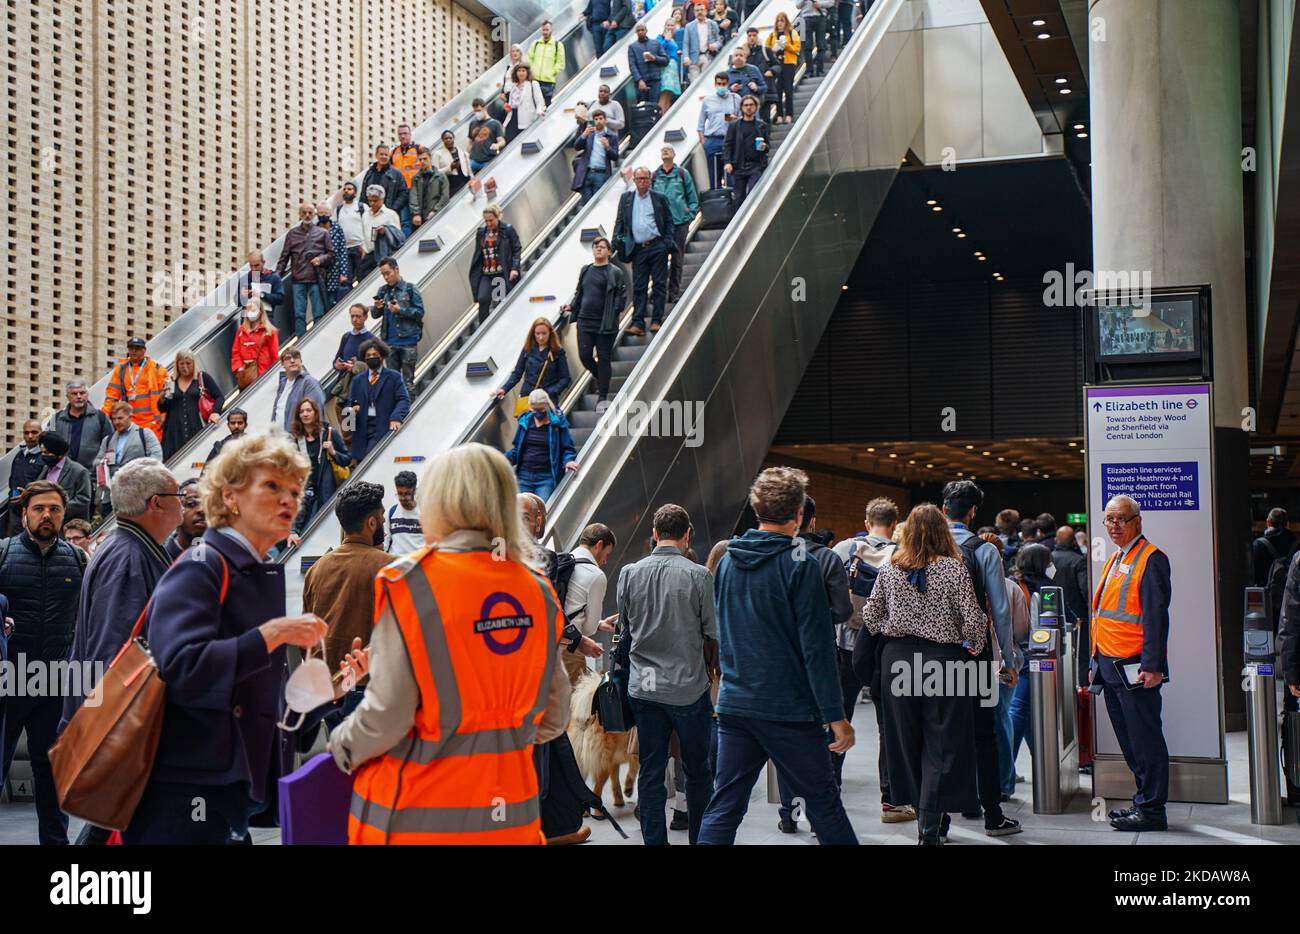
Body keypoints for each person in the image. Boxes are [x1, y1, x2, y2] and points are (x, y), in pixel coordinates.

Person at [122, 433, 365, 844]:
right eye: (272, 487)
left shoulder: (255, 571)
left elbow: (264, 708)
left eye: (295, 490)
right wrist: (271, 635)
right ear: (230, 497)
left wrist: (337, 689)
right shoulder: (203, 565)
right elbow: (181, 668)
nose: (289, 500)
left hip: (228, 794)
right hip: (185, 795)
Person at [327, 442, 564, 844]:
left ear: (438, 501)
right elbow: (553, 718)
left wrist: (340, 746)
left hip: (417, 819)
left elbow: (388, 718)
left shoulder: (410, 582)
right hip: (513, 820)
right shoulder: (539, 592)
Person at [698, 467, 857, 845]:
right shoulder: (802, 565)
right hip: (789, 710)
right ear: (799, 513)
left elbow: (724, 633)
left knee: (725, 806)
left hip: (736, 706)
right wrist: (836, 717)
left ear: (757, 508)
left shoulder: (727, 563)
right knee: (824, 805)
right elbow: (817, 650)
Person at [60, 461, 180, 845]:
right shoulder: (128, 560)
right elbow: (118, 653)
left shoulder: (125, 547)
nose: (184, 505)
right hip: (123, 725)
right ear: (156, 503)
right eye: (179, 496)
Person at [862, 503, 992, 844]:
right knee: (944, 745)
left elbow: (871, 617)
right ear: (941, 531)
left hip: (899, 659)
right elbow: (973, 619)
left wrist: (895, 628)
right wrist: (975, 646)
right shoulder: (954, 568)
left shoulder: (890, 567)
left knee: (907, 744)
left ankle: (925, 819)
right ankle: (931, 829)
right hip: (945, 661)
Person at [616, 504, 716, 844]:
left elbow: (625, 625)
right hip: (687, 687)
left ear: (654, 533)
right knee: (697, 770)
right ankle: (699, 838)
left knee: (652, 769)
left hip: (644, 688)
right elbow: (711, 630)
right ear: (687, 535)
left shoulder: (629, 573)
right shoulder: (699, 575)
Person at [0, 481, 86, 845]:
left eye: (54, 509)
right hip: (7, 681)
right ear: (24, 515)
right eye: (38, 509)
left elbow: (89, 618)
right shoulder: (3, 553)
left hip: (53, 682)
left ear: (63, 515)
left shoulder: (79, 559)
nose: (47, 515)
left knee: (51, 772)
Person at [1091, 494, 1172, 833]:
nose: (1114, 526)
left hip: (1135, 668)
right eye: (1109, 519)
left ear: (1138, 521)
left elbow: (1156, 617)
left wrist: (1153, 666)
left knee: (1145, 739)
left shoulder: (1152, 559)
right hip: (1111, 667)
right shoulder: (1116, 558)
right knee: (1130, 740)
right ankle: (1143, 801)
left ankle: (1152, 810)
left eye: (1121, 519)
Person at [943, 479, 1018, 834]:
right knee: (983, 735)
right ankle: (992, 814)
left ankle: (938, 819)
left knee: (938, 735)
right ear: (973, 512)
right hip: (974, 656)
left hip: (930, 657)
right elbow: (1000, 612)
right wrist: (1008, 661)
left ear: (944, 508)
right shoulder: (984, 551)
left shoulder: (921, 547)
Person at [775, 494, 851, 834]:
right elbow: (844, 611)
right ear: (812, 521)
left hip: (780, 661)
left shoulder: (772, 557)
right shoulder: (827, 558)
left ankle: (789, 813)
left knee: (787, 738)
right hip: (819, 655)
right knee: (824, 739)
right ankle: (820, 819)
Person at [836, 497, 915, 823]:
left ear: (867, 522)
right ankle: (892, 803)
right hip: (887, 651)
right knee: (890, 729)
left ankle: (827, 797)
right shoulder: (904, 556)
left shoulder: (844, 549)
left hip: (844, 647)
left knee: (837, 722)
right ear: (894, 524)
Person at [302, 480, 392, 728]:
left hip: (328, 693)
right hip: (370, 690)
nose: (383, 523)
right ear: (371, 523)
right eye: (382, 518)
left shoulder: (316, 569)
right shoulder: (390, 568)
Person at [561, 237, 627, 402]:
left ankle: (602, 396)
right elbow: (579, 292)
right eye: (596, 246)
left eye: (602, 247)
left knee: (604, 357)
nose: (598, 249)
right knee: (584, 356)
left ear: (609, 252)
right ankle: (602, 379)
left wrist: (615, 311)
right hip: (584, 321)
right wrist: (572, 306)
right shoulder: (586, 270)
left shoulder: (615, 272)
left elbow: (621, 295)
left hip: (605, 323)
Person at [613, 166, 673, 335]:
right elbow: (620, 223)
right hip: (638, 249)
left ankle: (656, 320)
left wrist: (667, 241)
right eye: (639, 179)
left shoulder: (659, 198)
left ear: (650, 180)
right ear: (634, 180)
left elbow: (669, 221)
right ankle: (638, 322)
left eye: (645, 179)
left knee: (659, 284)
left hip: (657, 246)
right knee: (639, 286)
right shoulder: (626, 199)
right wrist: (615, 243)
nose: (642, 182)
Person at [559, 523, 617, 686]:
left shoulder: (563, 562)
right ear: (599, 545)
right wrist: (595, 626)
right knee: (574, 705)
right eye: (607, 553)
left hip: (548, 645)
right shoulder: (596, 575)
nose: (605, 560)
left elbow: (568, 610)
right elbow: (589, 628)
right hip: (569, 649)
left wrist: (600, 624)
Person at [288, 398, 352, 541]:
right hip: (306, 490)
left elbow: (347, 459)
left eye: (308, 410)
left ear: (315, 413)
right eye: (301, 411)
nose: (305, 414)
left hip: (326, 489)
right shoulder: (296, 439)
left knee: (320, 527)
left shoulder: (329, 433)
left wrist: (333, 452)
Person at [504, 390, 580, 501]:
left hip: (546, 477)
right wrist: (502, 459)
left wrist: (568, 460)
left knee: (542, 511)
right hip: (524, 476)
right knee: (522, 512)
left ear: (548, 405)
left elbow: (567, 447)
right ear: (530, 407)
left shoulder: (557, 423)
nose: (538, 413)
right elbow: (517, 450)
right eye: (535, 410)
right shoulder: (525, 421)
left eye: (541, 409)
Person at [276, 202, 335, 339]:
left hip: (316, 278)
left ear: (314, 214)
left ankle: (319, 339)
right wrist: (277, 276)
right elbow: (284, 257)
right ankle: (301, 341)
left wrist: (321, 259)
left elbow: (332, 254)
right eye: (304, 212)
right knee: (299, 314)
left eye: (310, 212)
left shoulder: (322, 233)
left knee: (318, 312)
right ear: (299, 214)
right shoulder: (292, 234)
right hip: (298, 279)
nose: (307, 215)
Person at [94, 401, 164, 516]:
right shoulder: (108, 439)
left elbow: (156, 458)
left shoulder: (145, 434)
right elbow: (96, 461)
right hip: (112, 494)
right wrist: (103, 463)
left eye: (120, 418)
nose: (116, 422)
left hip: (137, 493)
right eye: (114, 419)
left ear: (130, 417)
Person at [347, 338, 412, 461]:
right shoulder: (358, 380)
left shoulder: (394, 377)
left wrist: (396, 417)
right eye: (368, 355)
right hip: (361, 432)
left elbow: (404, 399)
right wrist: (352, 409)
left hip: (383, 429)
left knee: (370, 460)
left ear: (382, 357)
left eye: (375, 355)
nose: (371, 357)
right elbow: (351, 402)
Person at [651, 145, 699, 304]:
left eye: (668, 150)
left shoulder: (682, 174)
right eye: (662, 150)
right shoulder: (654, 176)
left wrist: (690, 214)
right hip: (661, 225)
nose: (665, 151)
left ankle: (674, 293)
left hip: (679, 222)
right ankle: (659, 295)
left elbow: (692, 197)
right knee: (659, 260)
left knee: (677, 259)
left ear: (674, 154)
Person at [371, 257, 425, 395]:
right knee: (392, 384)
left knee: (407, 383)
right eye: (383, 274)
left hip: (408, 342)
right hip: (389, 343)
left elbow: (419, 312)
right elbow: (374, 314)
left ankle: (410, 413)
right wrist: (377, 308)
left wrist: (401, 310)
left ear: (396, 269)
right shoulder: (382, 291)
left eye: (388, 273)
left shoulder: (410, 289)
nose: (386, 277)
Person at [158, 347, 224, 459]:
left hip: (196, 426)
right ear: (177, 365)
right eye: (181, 364)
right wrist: (162, 399)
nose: (185, 367)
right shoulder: (171, 381)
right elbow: (163, 408)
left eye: (188, 363)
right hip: (174, 431)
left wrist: (215, 412)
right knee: (173, 461)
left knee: (197, 460)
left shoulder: (202, 377)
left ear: (193, 363)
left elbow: (219, 397)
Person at [102, 337, 169, 441]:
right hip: (129, 422)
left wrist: (164, 416)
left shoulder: (156, 369)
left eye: (137, 348)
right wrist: (104, 417)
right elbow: (111, 396)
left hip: (152, 423)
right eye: (131, 348)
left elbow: (166, 396)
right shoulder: (121, 370)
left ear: (144, 350)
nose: (134, 351)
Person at [496, 317, 573, 408]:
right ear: (533, 334)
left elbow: (565, 378)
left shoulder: (557, 351)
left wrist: (550, 391)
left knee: (546, 421)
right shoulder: (527, 349)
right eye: (538, 333)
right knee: (526, 422)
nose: (541, 337)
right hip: (528, 397)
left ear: (550, 334)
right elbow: (517, 373)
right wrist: (504, 389)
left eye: (544, 333)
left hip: (547, 399)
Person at [469, 204, 522, 324]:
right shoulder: (481, 233)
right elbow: (479, 253)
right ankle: (483, 328)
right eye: (486, 220)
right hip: (486, 273)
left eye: (491, 220)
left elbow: (517, 248)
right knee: (482, 299)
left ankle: (503, 325)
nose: (488, 223)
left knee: (501, 301)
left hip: (501, 274)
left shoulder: (507, 230)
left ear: (498, 217)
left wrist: (515, 268)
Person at [1051, 524, 1091, 680]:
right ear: (1073, 542)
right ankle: (1079, 688)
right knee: (1079, 655)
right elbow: (1086, 590)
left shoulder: (1048, 558)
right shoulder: (1078, 561)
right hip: (1078, 617)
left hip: (1052, 613)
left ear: (1056, 540)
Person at [53, 379, 114, 472]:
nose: (79, 396)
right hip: (63, 474)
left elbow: (110, 445)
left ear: (87, 394)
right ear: (67, 397)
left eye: (82, 393)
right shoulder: (56, 419)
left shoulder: (100, 417)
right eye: (74, 394)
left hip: (91, 474)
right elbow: (48, 446)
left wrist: (110, 469)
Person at [722, 94, 768, 210]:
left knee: (754, 194)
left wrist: (764, 147)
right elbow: (727, 145)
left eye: (751, 105)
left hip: (756, 165)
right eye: (746, 105)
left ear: (756, 107)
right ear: (741, 108)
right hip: (739, 166)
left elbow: (768, 145)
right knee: (738, 198)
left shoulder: (761, 125)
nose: (749, 107)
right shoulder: (735, 125)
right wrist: (727, 162)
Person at [36, 431, 92, 522]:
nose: (43, 456)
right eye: (42, 453)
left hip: (69, 527)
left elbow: (83, 500)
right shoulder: (45, 469)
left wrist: (56, 510)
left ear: (60, 454)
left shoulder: (79, 471)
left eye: (47, 453)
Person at [698, 72, 741, 189]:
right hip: (713, 140)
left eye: (724, 83)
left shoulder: (736, 98)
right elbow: (700, 124)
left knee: (731, 174)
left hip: (731, 139)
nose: (721, 86)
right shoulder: (708, 101)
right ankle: (717, 202)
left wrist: (735, 119)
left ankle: (734, 201)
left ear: (728, 84)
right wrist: (703, 141)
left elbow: (743, 120)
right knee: (714, 175)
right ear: (715, 84)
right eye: (719, 83)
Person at [269, 347, 327, 433]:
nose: (292, 361)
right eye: (288, 358)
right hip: (281, 440)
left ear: (301, 361)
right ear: (282, 364)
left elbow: (316, 412)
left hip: (299, 438)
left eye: (295, 357)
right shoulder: (283, 383)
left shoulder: (309, 383)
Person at [332, 304, 371, 428]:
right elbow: (336, 360)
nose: (354, 319)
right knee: (348, 428)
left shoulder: (371, 340)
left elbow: (375, 368)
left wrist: (355, 368)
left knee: (362, 427)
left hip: (362, 391)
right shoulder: (347, 337)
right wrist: (338, 365)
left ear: (366, 317)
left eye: (358, 316)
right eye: (352, 316)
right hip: (345, 391)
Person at [572, 108, 620, 205]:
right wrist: (584, 135)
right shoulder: (589, 134)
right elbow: (577, 147)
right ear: (593, 121)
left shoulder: (611, 136)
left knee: (598, 204)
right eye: (596, 119)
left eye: (601, 118)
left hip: (601, 174)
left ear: (605, 120)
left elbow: (615, 157)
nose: (598, 121)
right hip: (587, 173)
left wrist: (608, 147)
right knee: (586, 204)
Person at [230, 297, 280, 387]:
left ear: (260, 311)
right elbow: (235, 352)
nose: (250, 313)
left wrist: (274, 375)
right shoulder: (241, 330)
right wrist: (239, 368)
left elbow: (274, 355)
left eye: (253, 310)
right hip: (245, 377)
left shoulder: (269, 331)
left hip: (264, 376)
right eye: (248, 310)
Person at [358, 184, 405, 279]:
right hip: (368, 255)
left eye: (375, 200)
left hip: (384, 255)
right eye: (370, 200)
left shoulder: (391, 214)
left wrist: (385, 231)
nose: (372, 203)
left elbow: (399, 237)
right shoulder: (365, 215)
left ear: (382, 199)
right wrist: (363, 248)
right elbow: (363, 233)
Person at [6, 419, 42, 536]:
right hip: (15, 509)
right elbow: (12, 478)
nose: (30, 436)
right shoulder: (20, 454)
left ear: (41, 433)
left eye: (34, 432)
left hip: (34, 510)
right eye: (26, 433)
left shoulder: (44, 457)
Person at [235, 250, 286, 330]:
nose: (253, 269)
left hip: (266, 321)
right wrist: (244, 296)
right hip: (247, 323)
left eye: (256, 265)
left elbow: (280, 298)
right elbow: (237, 302)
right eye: (251, 266)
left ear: (263, 262)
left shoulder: (273, 277)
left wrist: (262, 295)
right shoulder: (244, 279)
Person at [765, 13, 799, 123]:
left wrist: (786, 46)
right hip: (776, 65)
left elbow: (797, 48)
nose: (780, 23)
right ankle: (779, 115)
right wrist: (772, 50)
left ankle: (789, 114)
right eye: (778, 21)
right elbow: (766, 49)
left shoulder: (792, 33)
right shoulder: (772, 35)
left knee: (788, 89)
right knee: (777, 90)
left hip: (788, 64)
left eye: (782, 21)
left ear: (786, 22)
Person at [317, 200, 352, 307]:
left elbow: (343, 252)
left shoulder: (337, 229)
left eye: (326, 213)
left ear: (330, 214)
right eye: (321, 213)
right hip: (319, 273)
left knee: (334, 302)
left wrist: (343, 273)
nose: (323, 216)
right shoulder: (314, 230)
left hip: (335, 272)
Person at [359, 145, 409, 220]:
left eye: (386, 155)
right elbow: (363, 193)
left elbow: (404, 193)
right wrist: (363, 210)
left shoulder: (396, 174)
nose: (384, 157)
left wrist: (393, 209)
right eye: (381, 154)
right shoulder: (369, 173)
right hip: (370, 215)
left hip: (387, 215)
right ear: (376, 155)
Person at [503, 63, 547, 144]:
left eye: (523, 71)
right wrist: (508, 107)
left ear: (527, 72)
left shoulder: (533, 84)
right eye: (519, 71)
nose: (521, 73)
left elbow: (539, 101)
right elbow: (511, 103)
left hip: (526, 117)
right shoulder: (513, 86)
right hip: (512, 117)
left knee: (522, 141)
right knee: (510, 140)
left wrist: (539, 110)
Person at [1254, 506, 1297, 588]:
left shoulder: (1258, 545)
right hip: (1291, 595)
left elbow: (1255, 574)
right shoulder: (1296, 543)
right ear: (1287, 524)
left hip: (1266, 593)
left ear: (1268, 523)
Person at [408, 147, 450, 230]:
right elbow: (413, 196)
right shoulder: (416, 178)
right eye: (420, 160)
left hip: (436, 215)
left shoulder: (441, 176)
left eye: (425, 159)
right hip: (420, 218)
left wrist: (435, 210)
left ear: (430, 158)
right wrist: (416, 214)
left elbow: (445, 196)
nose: (423, 162)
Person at [164, 477, 206, 558]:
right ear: (176, 510)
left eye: (208, 505)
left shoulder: (222, 559)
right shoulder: (159, 559)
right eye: (191, 504)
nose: (202, 510)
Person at [390, 125, 420, 236]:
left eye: (405, 133)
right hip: (402, 191)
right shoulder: (394, 152)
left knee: (418, 218)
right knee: (405, 220)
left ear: (410, 134)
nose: (402, 136)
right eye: (400, 134)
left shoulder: (418, 149)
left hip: (416, 190)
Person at [527, 19, 566, 105]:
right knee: (533, 105)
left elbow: (561, 63)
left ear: (551, 30)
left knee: (546, 105)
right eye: (543, 30)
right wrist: (532, 72)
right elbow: (529, 59)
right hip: (535, 80)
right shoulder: (536, 44)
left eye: (547, 30)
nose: (545, 32)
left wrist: (551, 73)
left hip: (548, 82)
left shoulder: (557, 45)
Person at [333, 184, 366, 282]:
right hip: (344, 250)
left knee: (362, 278)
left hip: (360, 248)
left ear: (355, 193)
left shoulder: (362, 206)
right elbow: (334, 230)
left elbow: (369, 225)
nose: (346, 191)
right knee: (346, 280)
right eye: (344, 189)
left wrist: (365, 246)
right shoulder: (338, 210)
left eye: (349, 189)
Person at [628, 22, 668, 103]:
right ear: (636, 33)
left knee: (654, 106)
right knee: (643, 107)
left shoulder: (656, 43)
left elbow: (665, 60)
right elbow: (632, 65)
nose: (640, 32)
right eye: (638, 31)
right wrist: (639, 80)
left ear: (646, 31)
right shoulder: (632, 47)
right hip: (641, 82)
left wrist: (654, 58)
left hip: (655, 81)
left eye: (642, 30)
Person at [682, 2, 721, 83]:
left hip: (707, 56)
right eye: (697, 10)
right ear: (694, 13)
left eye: (701, 10)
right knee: (694, 83)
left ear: (706, 11)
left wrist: (715, 45)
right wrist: (686, 56)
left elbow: (719, 40)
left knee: (706, 82)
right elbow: (686, 43)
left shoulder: (713, 24)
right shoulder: (689, 26)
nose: (699, 12)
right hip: (693, 58)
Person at [385, 470, 424, 554]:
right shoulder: (391, 512)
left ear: (415, 491)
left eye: (407, 494)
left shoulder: (426, 512)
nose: (403, 498)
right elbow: (385, 542)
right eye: (400, 493)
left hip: (420, 563)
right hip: (396, 564)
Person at [467, 99, 507, 173]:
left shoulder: (495, 124)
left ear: (485, 108)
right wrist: (468, 155)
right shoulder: (472, 123)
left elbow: (502, 141)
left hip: (488, 162)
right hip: (473, 161)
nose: (477, 113)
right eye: (475, 111)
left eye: (479, 110)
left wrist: (497, 145)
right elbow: (470, 142)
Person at [432, 129, 471, 196]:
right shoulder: (437, 154)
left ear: (454, 138)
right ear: (443, 140)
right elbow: (435, 174)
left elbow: (468, 169)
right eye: (446, 138)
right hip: (452, 187)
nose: (448, 140)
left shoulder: (461, 152)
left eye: (450, 138)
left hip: (466, 181)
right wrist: (450, 167)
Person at [798, 0, 831, 76]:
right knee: (807, 46)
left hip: (820, 16)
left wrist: (820, 4)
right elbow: (797, 5)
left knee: (821, 44)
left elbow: (831, 2)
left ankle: (820, 69)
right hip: (806, 18)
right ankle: (809, 70)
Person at [658, 21, 683, 113]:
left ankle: (666, 114)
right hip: (666, 66)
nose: (670, 27)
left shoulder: (673, 39)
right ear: (664, 26)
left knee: (669, 93)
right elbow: (658, 48)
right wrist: (666, 40)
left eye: (672, 25)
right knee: (665, 91)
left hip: (673, 66)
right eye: (668, 25)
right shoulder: (661, 37)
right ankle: (660, 116)